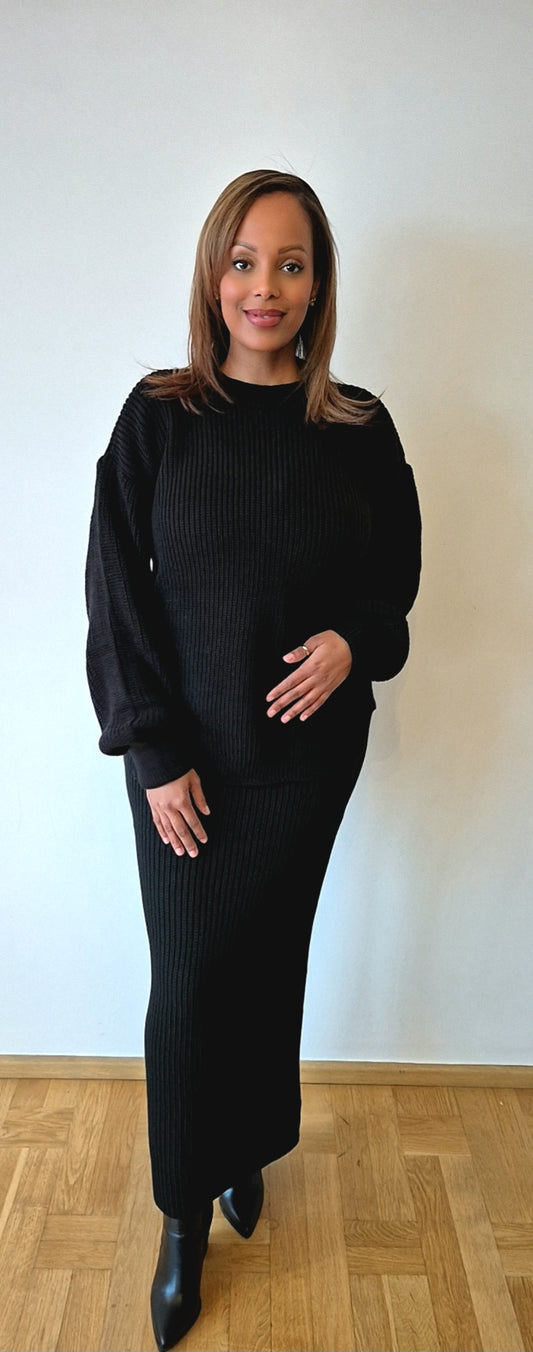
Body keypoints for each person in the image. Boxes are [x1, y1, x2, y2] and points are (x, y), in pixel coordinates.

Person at [85, 168, 421, 1351]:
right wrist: (157, 753)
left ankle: (241, 1148)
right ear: (211, 274)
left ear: (317, 280)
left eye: (288, 263)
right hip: (183, 769)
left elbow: (394, 588)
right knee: (188, 990)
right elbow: (116, 596)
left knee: (267, 962)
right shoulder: (160, 416)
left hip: (305, 767)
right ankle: (186, 1214)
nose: (263, 287)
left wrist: (351, 641)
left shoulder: (358, 428)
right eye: (242, 260)